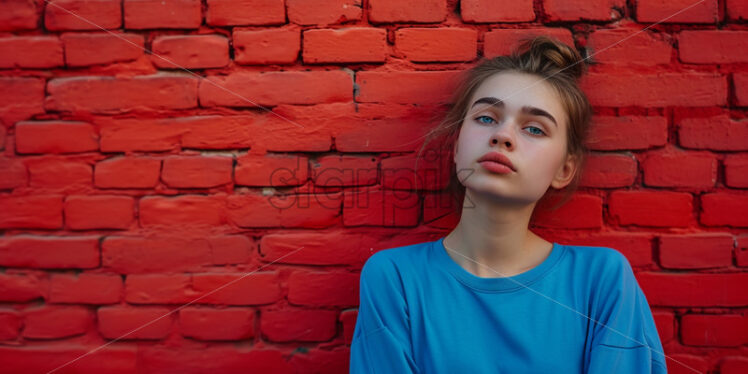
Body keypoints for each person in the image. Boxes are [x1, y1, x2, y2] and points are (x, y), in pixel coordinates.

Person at [348, 35, 668, 373]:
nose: (502, 136)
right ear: (457, 148)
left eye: (534, 128)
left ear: (564, 169)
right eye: (486, 118)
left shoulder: (600, 281)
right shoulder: (395, 279)